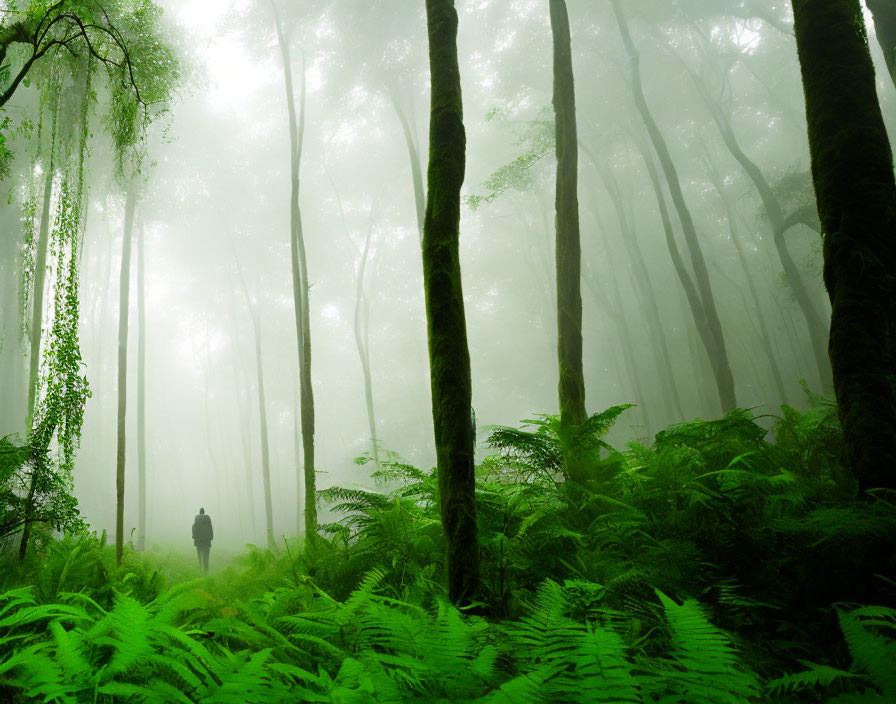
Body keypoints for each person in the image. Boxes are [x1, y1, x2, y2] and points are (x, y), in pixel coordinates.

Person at [192, 507, 213, 574]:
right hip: (206, 541)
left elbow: (194, 530)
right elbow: (210, 528)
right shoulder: (208, 518)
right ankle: (206, 571)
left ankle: (200, 568)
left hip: (199, 542)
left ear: (199, 512)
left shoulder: (196, 518)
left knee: (199, 555)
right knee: (206, 557)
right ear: (204, 512)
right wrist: (211, 538)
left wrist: (194, 537)